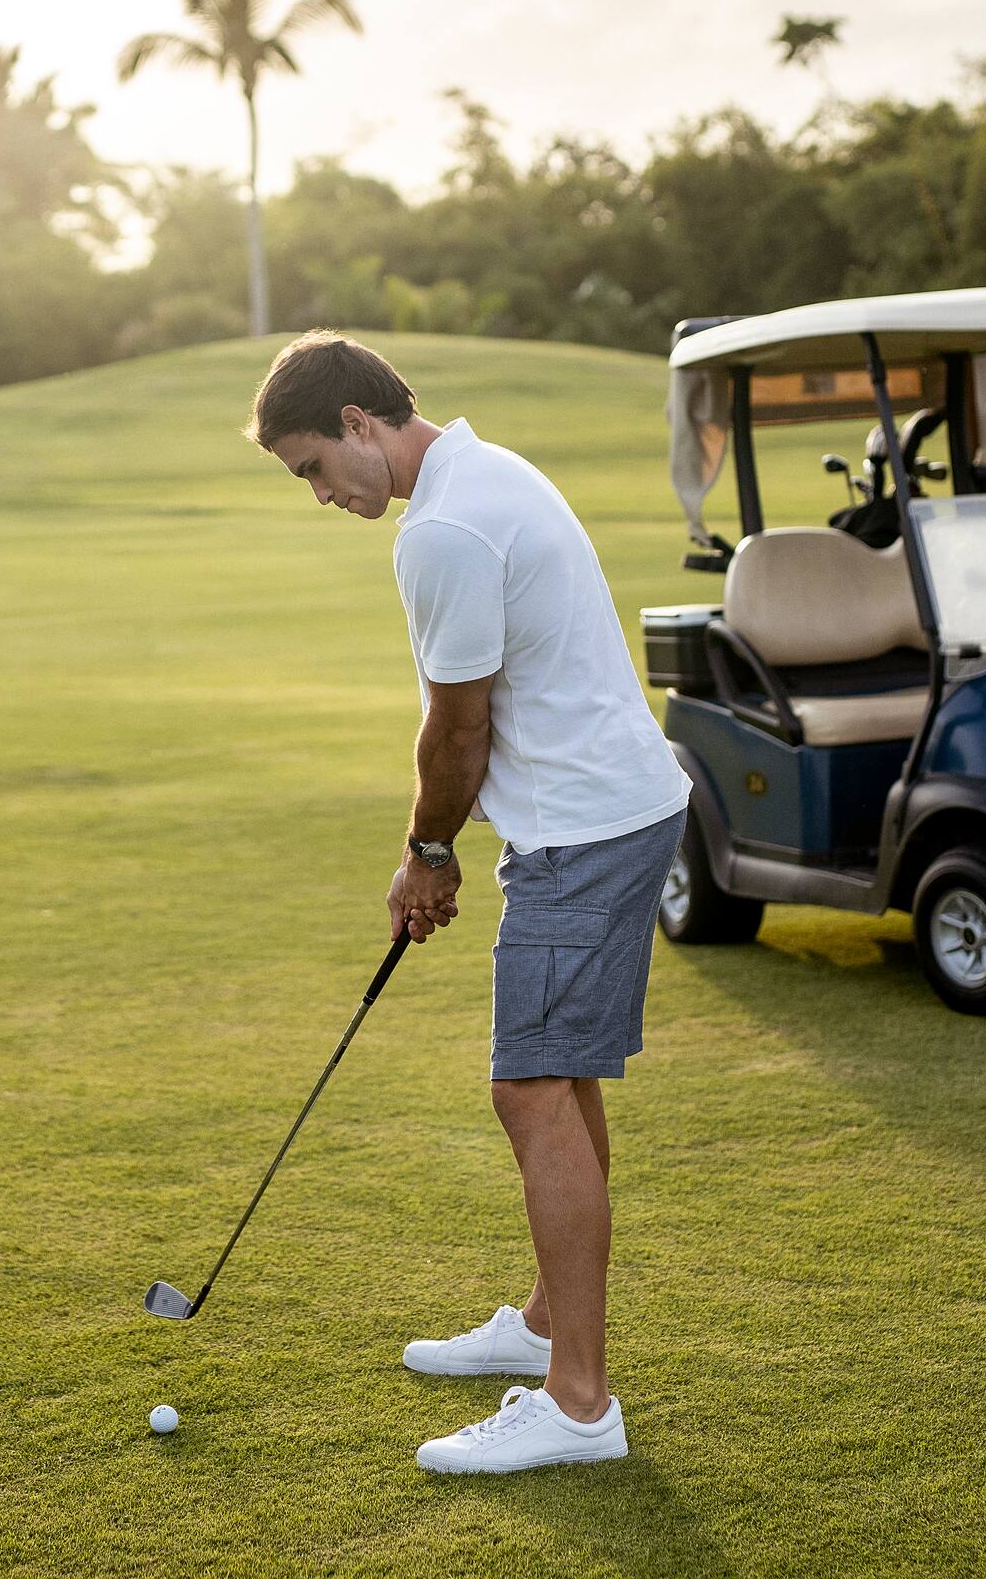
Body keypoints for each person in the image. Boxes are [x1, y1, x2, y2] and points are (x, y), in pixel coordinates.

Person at [248, 332, 689, 1474]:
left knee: (528, 1086)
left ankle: (578, 1404)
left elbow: (455, 729)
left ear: (357, 422)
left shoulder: (440, 526)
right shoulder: (482, 470)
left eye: (309, 466)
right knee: (560, 1073)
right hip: (606, 808)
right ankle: (547, 1322)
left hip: (582, 825)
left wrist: (424, 852)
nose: (318, 495)